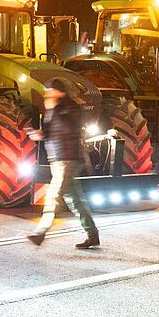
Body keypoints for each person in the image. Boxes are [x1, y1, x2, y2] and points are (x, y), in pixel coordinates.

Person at [27, 78, 100, 249]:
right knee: (75, 201)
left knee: (53, 195)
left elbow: (69, 128)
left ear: (60, 92)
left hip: (68, 159)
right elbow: (53, 132)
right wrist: (40, 134)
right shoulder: (55, 108)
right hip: (58, 159)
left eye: (49, 90)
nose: (46, 93)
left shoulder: (72, 107)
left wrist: (54, 109)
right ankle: (93, 235)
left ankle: (40, 233)